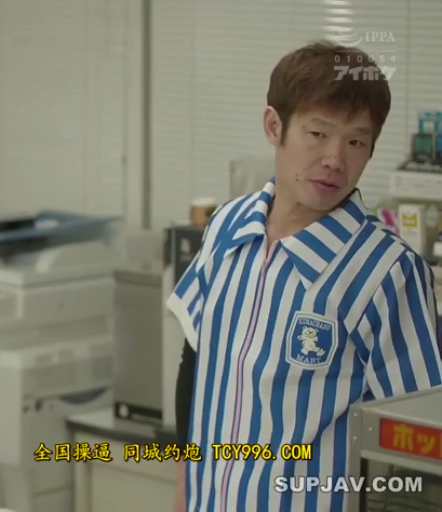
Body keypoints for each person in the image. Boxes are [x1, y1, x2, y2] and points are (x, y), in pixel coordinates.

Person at [169, 40, 442, 512]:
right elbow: (194, 364)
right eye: (318, 133)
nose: (335, 158)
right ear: (274, 126)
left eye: (356, 142)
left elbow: (421, 440)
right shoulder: (227, 226)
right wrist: (183, 489)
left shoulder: (388, 272)